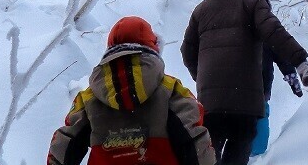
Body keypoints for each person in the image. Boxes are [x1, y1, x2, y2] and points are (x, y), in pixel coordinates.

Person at [181, 0, 308, 165]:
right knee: (237, 154)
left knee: (209, 157)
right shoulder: (252, 1)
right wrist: (299, 59)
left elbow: (187, 52)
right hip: (244, 102)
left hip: (211, 103)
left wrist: (203, 80)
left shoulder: (201, 10)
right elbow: (274, 33)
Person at [48, 15, 215, 165]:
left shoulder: (88, 98)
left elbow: (65, 145)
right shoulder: (171, 90)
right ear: (153, 48)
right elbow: (194, 142)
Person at [249, 46, 303, 158]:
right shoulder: (267, 32)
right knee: (260, 116)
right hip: (260, 88)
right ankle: (256, 155)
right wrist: (293, 82)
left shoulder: (225, 33)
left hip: (231, 89)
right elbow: (282, 57)